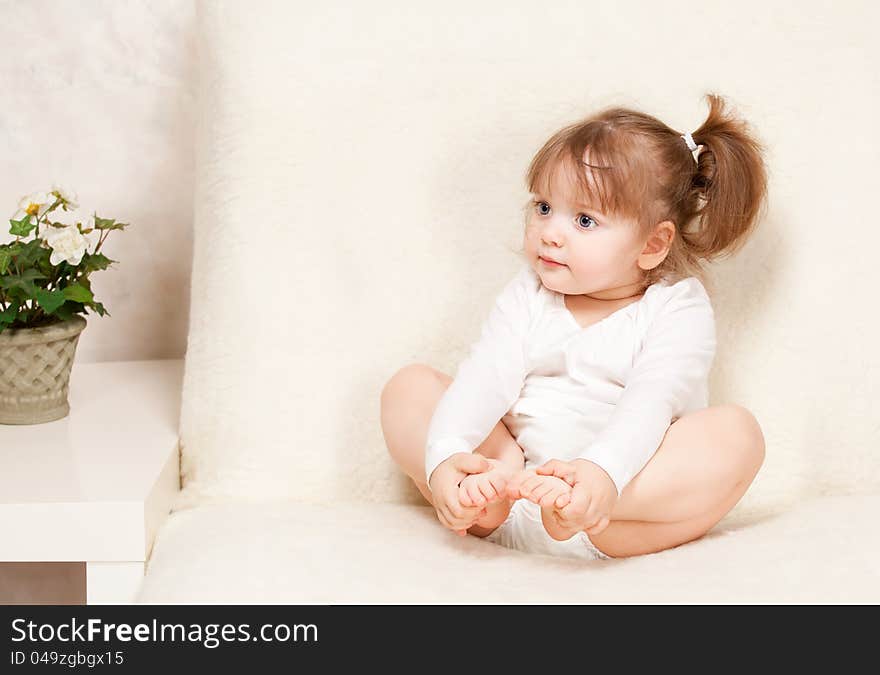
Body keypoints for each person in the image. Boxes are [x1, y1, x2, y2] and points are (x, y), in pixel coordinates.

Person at [380, 93, 768, 560]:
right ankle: (481, 493)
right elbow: (485, 377)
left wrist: (599, 476)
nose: (550, 231)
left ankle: (578, 506)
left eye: (584, 220)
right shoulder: (529, 293)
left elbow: (651, 401)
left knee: (737, 435)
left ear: (653, 244)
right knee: (409, 388)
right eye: (544, 207)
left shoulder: (676, 307)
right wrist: (445, 456)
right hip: (509, 486)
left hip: (616, 510)